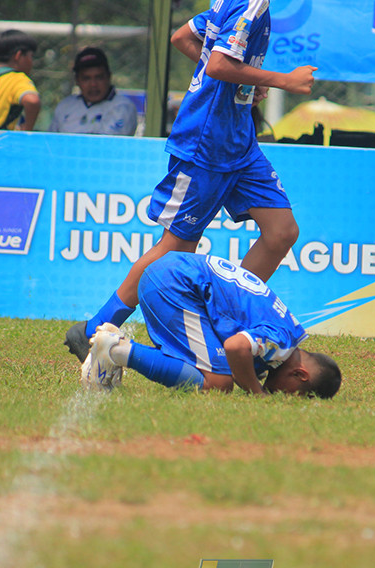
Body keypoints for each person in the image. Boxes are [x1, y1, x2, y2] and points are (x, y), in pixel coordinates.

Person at [63, 1, 317, 363]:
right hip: (206, 144)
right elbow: (216, 64)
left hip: (239, 142)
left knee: (281, 232)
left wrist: (245, 80)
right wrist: (282, 80)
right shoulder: (252, 4)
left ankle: (224, 326)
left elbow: (184, 38)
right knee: (177, 246)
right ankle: (94, 329)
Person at [81, 252, 341, 398]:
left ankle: (116, 352)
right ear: (300, 375)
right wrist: (256, 391)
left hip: (172, 276)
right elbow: (235, 346)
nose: (283, 397)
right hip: (175, 285)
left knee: (215, 371)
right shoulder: (279, 342)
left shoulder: (288, 332)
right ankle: (114, 350)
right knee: (218, 382)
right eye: (292, 395)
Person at [47, 46, 137, 136]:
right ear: (77, 80)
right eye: (86, 78)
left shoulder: (123, 107)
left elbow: (107, 145)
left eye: (99, 77)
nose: (93, 84)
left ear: (109, 77)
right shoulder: (65, 106)